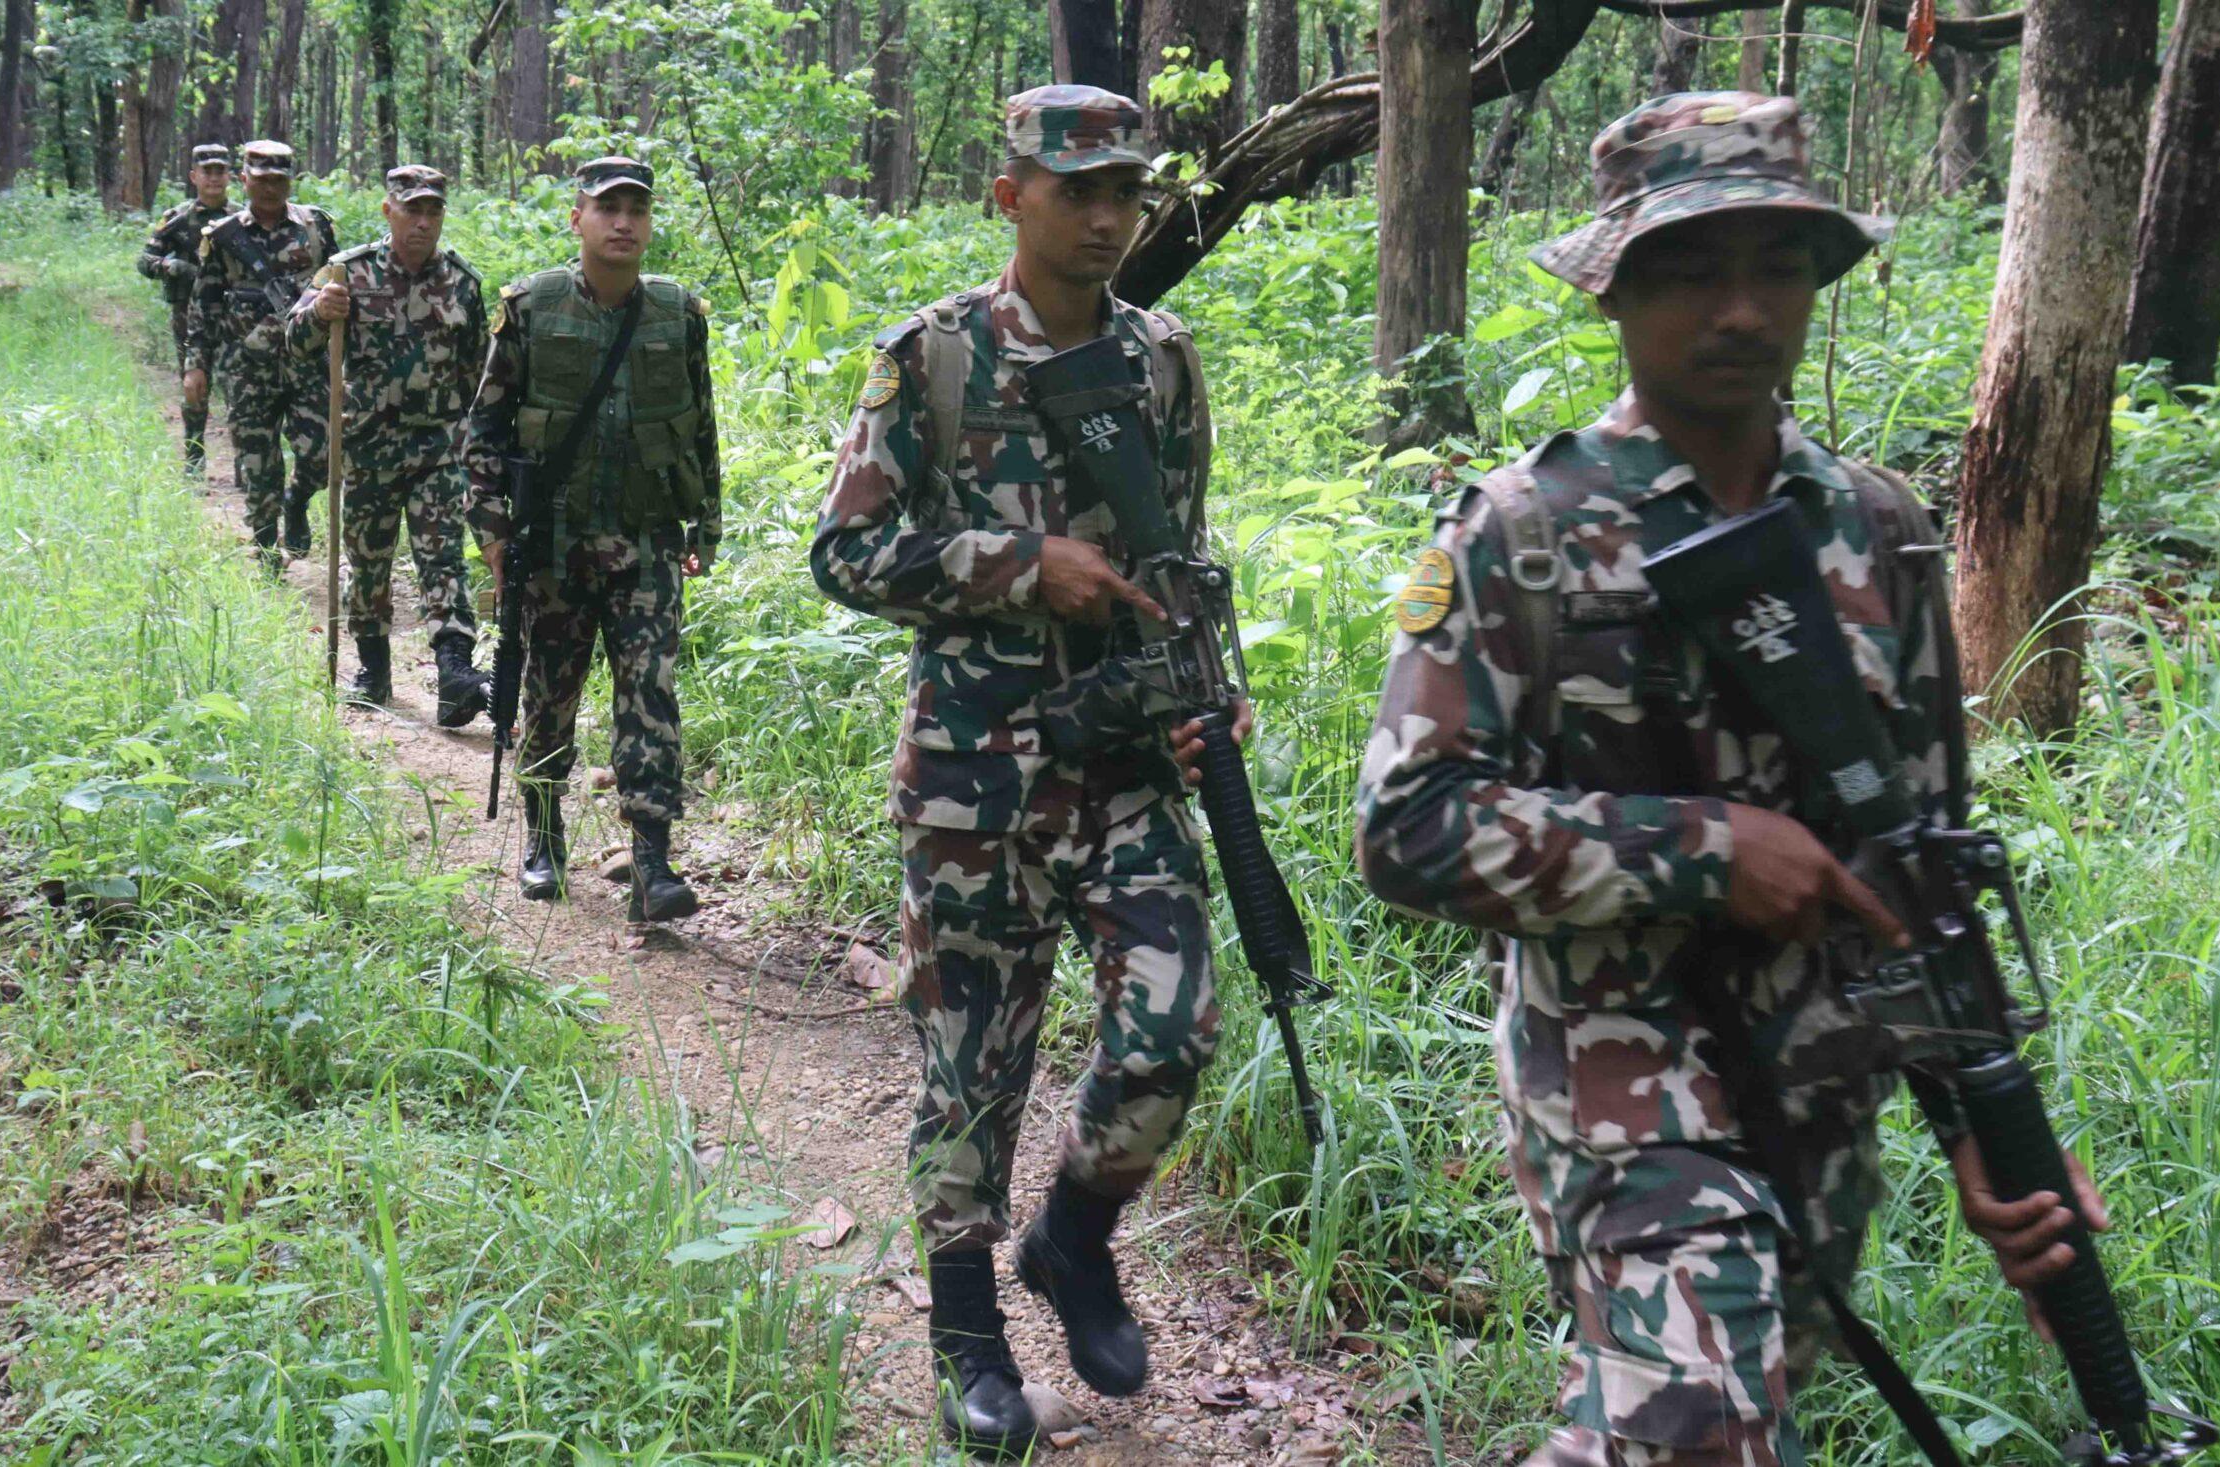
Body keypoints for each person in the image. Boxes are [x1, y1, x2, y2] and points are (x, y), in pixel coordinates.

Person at [1353, 92, 2110, 1466]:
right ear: (1617, 292)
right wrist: (1705, 848)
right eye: (1694, 270)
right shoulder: (1522, 533)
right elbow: (1409, 828)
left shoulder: (1879, 530)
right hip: (1618, 1078)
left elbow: (1921, 859)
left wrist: (1987, 1125)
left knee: (1714, 1415)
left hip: (1821, 1081)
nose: (1742, 309)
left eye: (1775, 266)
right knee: (1702, 1421)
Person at [810, 85, 1242, 1459]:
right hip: (973, 778)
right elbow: (846, 555)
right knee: (970, 1067)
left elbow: (1177, 558)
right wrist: (1015, 569)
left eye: (1128, 189)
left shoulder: (1163, 360)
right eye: (1078, 191)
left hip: (1122, 765)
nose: (1109, 216)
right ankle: (968, 1342)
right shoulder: (931, 358)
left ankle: (1073, 1234)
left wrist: (1200, 699)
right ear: (1010, 196)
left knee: (1174, 1027)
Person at [459, 156, 717, 926]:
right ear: (578, 217)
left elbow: (702, 430)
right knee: (550, 693)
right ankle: (542, 833)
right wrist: (494, 535)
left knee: (651, 696)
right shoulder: (532, 307)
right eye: (608, 208)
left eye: (637, 209)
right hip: (555, 544)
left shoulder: (678, 314)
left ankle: (652, 859)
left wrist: (704, 522)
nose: (624, 223)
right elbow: (483, 433)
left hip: (646, 542)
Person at [289, 163, 491, 723]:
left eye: (433, 211)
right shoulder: (346, 273)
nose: (423, 222)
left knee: (442, 556)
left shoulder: (463, 285)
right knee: (369, 560)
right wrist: (317, 315)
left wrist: (482, 447)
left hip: (438, 449)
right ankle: (373, 669)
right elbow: (294, 338)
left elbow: (480, 375)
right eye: (412, 210)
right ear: (388, 211)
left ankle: (454, 671)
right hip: (369, 449)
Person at [197, 140, 339, 566]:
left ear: (290, 181)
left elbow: (339, 284)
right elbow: (204, 304)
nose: (270, 189)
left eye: (278, 180)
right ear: (244, 180)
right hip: (247, 366)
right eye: (261, 180)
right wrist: (196, 364)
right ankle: (265, 550)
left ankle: (296, 500)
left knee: (322, 456)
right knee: (258, 465)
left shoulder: (316, 227)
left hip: (308, 361)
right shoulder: (224, 237)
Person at [135, 142, 237, 475]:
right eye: (207, 172)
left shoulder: (241, 219)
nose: (214, 179)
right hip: (189, 316)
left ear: (230, 176)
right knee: (195, 387)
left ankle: (244, 465)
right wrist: (170, 265)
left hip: (235, 316)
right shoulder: (177, 220)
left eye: (220, 172)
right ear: (194, 176)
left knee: (239, 387)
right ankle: (194, 460)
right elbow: (144, 261)